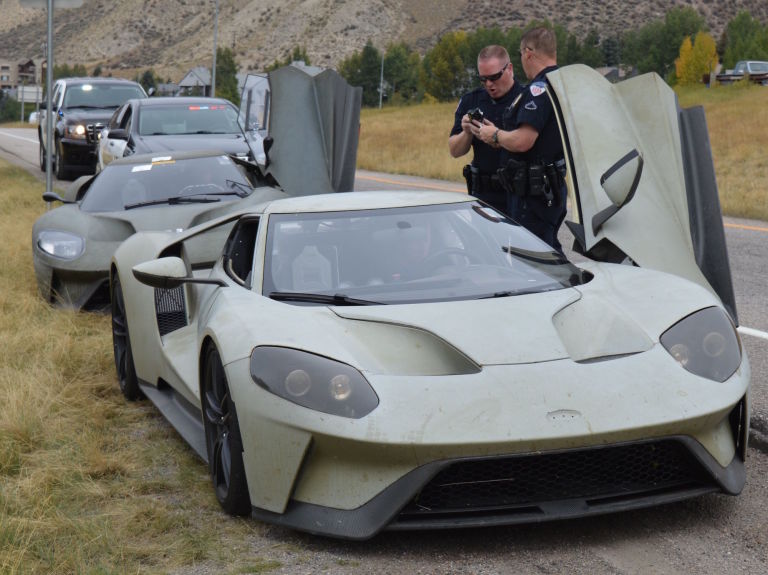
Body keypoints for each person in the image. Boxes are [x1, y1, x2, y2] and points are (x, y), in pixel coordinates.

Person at [472, 28, 567, 252]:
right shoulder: (562, 83)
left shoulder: (538, 89)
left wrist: (493, 134)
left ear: (528, 53)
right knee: (546, 250)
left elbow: (524, 141)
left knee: (533, 259)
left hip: (534, 194)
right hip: (549, 187)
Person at [449, 45, 524, 214]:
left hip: (518, 195)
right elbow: (454, 150)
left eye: (495, 77)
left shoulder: (526, 99)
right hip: (483, 195)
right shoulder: (471, 100)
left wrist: (498, 135)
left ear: (510, 69)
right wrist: (466, 132)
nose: (489, 84)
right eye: (483, 79)